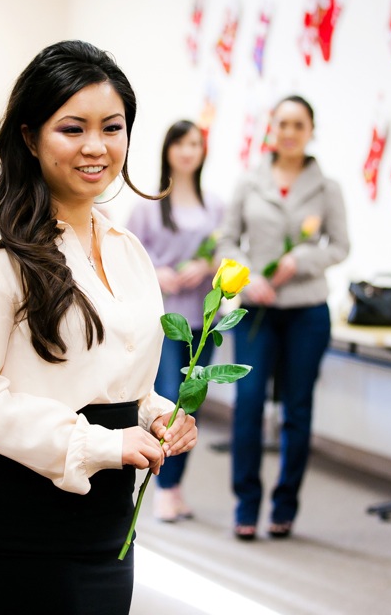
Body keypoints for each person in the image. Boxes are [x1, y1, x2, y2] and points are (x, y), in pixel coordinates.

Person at [0, 40, 198, 615]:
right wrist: (103, 443)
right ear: (30, 138)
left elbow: (112, 378)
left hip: (110, 531)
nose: (96, 147)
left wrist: (159, 415)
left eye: (112, 127)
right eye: (72, 128)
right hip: (29, 534)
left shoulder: (129, 251)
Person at [217, 95, 349, 541]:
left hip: (307, 313)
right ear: (271, 129)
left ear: (311, 131)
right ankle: (246, 503)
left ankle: (286, 504)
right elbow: (227, 243)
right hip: (258, 311)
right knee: (249, 403)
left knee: (297, 409)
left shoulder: (326, 187)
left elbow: (339, 246)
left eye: (298, 124)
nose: (289, 132)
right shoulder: (248, 183)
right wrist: (248, 276)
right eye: (282, 124)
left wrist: (304, 258)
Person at [126, 120, 223, 523]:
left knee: (192, 403)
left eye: (195, 144)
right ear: (167, 150)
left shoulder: (216, 206)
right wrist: (158, 272)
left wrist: (208, 264)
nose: (187, 151)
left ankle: (176, 487)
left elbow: (227, 252)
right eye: (180, 143)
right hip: (165, 321)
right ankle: (163, 488)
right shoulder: (146, 207)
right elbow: (126, 258)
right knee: (168, 398)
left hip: (203, 319)